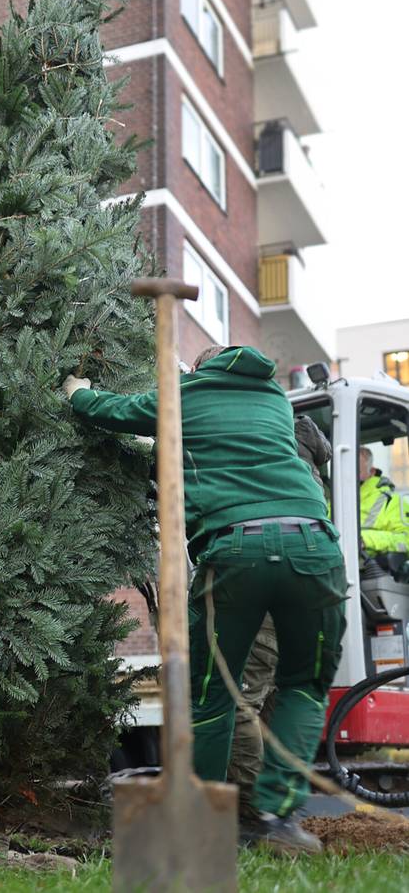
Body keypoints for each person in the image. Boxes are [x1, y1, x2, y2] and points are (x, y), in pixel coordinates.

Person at [64, 345, 347, 854]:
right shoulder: (276, 401)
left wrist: (78, 392)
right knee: (301, 690)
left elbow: (117, 412)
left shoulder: (188, 394)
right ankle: (275, 821)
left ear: (200, 370)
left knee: (218, 694)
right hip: (318, 552)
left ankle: (219, 823)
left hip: (244, 548)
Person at [226, 414, 332, 830]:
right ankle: (278, 813)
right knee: (273, 705)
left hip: (266, 606)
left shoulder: (280, 477)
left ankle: (256, 814)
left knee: (239, 703)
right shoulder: (310, 484)